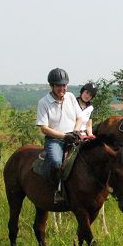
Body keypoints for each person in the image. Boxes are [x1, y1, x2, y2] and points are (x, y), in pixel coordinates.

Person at [36, 68, 84, 204]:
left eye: (64, 85)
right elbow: (44, 128)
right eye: (58, 85)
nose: (62, 88)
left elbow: (79, 118)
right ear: (52, 86)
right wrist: (63, 136)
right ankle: (57, 191)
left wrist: (75, 131)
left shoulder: (70, 97)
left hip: (73, 135)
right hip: (55, 140)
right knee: (57, 162)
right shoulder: (44, 102)